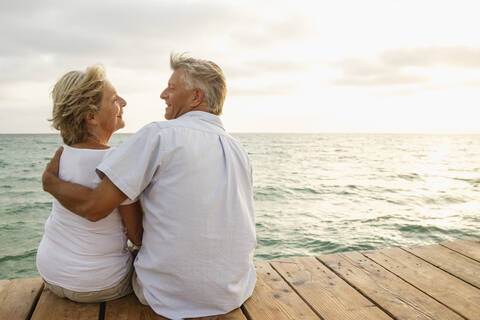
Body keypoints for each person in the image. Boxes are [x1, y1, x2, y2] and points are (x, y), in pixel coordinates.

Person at [42, 54, 256, 319]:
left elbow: (95, 207)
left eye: (172, 88)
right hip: (233, 291)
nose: (162, 95)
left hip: (166, 297)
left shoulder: (159, 134)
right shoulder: (238, 149)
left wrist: (50, 183)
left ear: (196, 97)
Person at [36, 66, 143, 303]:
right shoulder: (118, 160)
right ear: (91, 117)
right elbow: (137, 235)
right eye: (115, 99)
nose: (123, 102)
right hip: (100, 284)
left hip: (50, 273)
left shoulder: (61, 155)